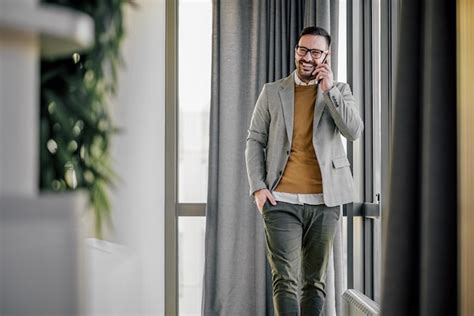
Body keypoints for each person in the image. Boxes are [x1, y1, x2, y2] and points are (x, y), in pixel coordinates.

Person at [245, 26, 364, 315]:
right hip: (281, 200)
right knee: (284, 280)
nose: (307, 57)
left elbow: (354, 131)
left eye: (315, 52)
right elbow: (255, 139)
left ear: (326, 55)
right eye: (302, 50)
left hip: (325, 202)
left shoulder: (339, 91)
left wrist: (329, 90)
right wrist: (258, 187)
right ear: (296, 50)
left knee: (314, 282)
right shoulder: (273, 92)